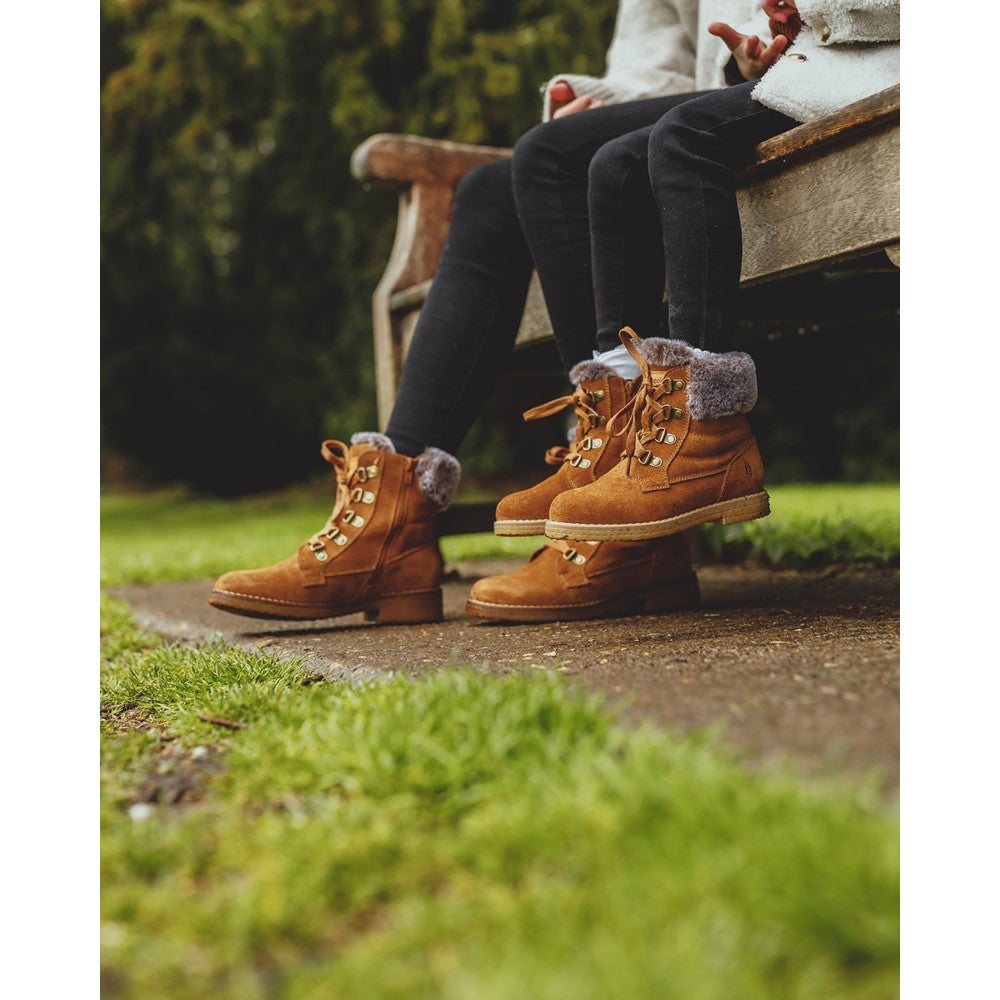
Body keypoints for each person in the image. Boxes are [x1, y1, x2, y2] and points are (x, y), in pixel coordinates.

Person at [209, 0, 898, 624]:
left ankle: (618, 485)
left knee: (551, 161)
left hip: (826, 77)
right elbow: (651, 70)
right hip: (722, 96)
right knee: (487, 190)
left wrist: (806, 22)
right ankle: (395, 524)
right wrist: (599, 101)